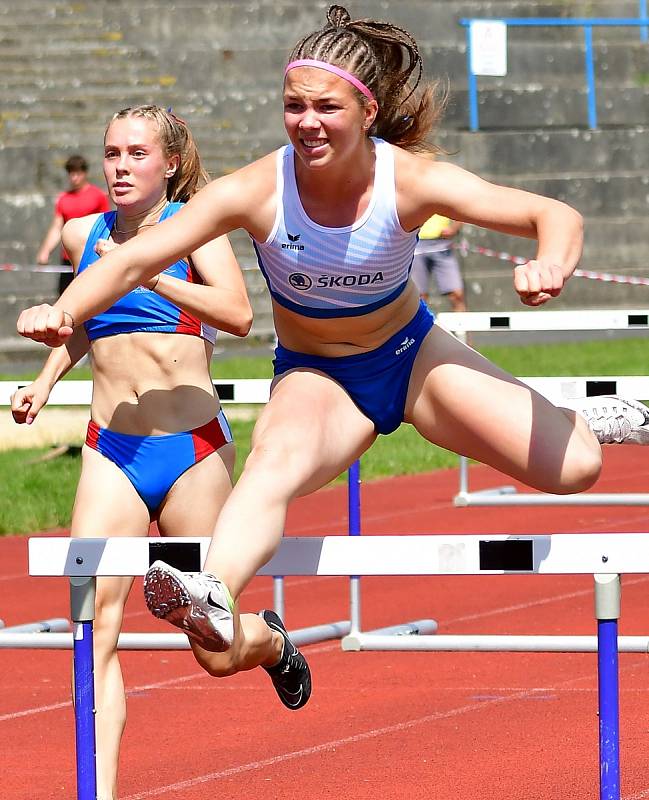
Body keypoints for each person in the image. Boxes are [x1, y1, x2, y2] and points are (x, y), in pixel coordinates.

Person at [17, 4, 649, 709]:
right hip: (320, 377)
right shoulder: (258, 189)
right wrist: (64, 310)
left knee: (575, 468)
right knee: (272, 464)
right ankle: (210, 590)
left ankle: (585, 416)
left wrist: (550, 264)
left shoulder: (407, 180)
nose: (307, 122)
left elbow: (553, 215)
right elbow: (130, 262)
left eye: (325, 107)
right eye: (293, 106)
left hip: (413, 361)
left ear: (365, 111)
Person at [12, 105, 263, 800]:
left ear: (170, 164)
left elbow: (239, 316)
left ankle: (267, 642)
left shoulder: (196, 227)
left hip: (190, 449)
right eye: (111, 154)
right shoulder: (80, 234)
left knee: (212, 647)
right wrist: (43, 378)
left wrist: (150, 271)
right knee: (93, 629)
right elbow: (84, 323)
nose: (119, 167)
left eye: (135, 154)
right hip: (110, 447)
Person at [36, 154, 111, 295]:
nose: (74, 177)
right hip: (68, 259)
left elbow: (106, 224)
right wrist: (45, 251)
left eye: (77, 173)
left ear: (84, 173)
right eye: (71, 173)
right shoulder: (63, 199)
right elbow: (57, 227)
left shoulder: (97, 196)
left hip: (91, 256)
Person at [411, 214, 466, 312]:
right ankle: (421, 326)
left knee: (457, 295)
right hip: (416, 245)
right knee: (418, 298)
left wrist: (454, 228)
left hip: (443, 245)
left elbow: (464, 210)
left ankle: (462, 326)